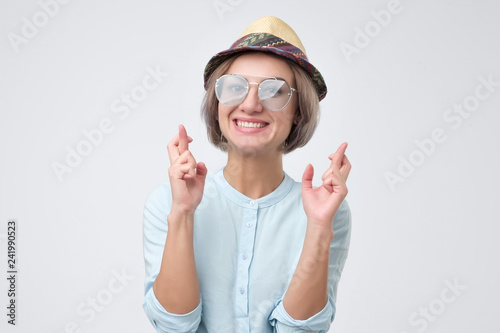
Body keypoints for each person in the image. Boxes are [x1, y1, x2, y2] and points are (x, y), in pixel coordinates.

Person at [142, 16, 352, 333]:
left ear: (298, 112)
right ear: (216, 104)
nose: (250, 104)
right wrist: (183, 213)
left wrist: (319, 228)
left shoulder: (327, 213)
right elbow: (174, 327)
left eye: (274, 91)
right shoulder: (167, 203)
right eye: (235, 87)